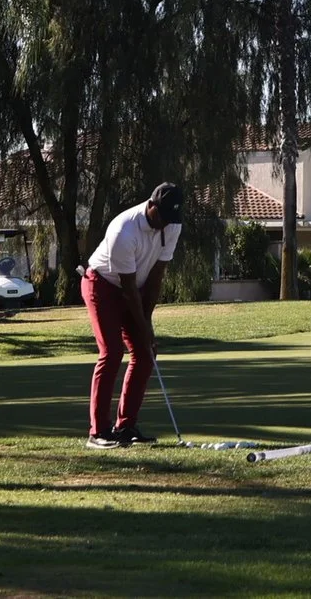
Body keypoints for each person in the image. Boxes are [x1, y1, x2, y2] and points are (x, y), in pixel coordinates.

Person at [84, 182, 183, 447]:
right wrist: (144, 326)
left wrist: (147, 324)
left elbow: (156, 277)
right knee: (112, 351)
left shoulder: (172, 225)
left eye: (170, 219)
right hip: (102, 284)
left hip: (134, 287)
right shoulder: (123, 231)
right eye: (161, 216)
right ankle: (98, 432)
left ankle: (126, 426)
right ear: (151, 205)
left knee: (145, 351)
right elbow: (128, 289)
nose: (165, 224)